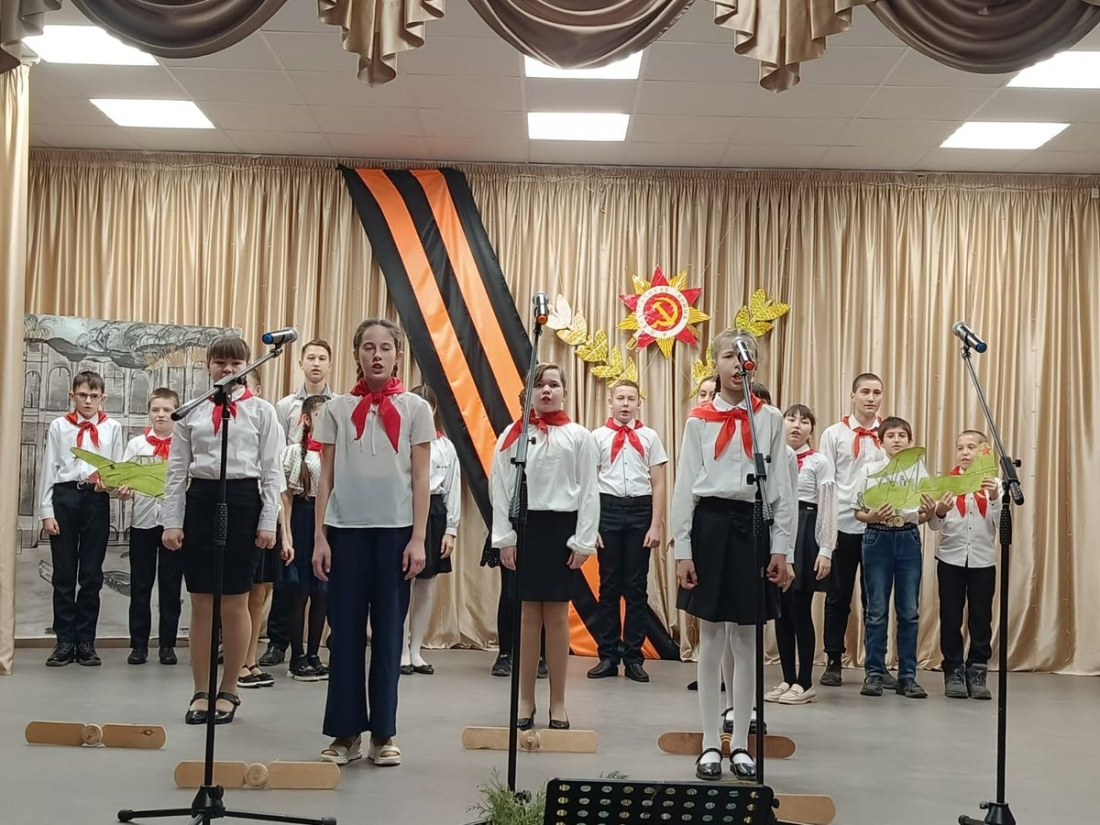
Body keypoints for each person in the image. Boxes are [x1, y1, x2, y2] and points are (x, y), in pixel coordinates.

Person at [672, 331, 795, 781]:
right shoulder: (698, 421)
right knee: (711, 639)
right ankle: (710, 742)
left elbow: (781, 488)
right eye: (728, 355)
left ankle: (741, 741)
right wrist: (683, 548)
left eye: (744, 355)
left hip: (753, 525)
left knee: (746, 641)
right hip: (712, 525)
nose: (737, 363)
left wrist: (781, 547)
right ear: (716, 364)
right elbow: (685, 486)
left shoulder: (771, 419)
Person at [313, 318, 433, 767]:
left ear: (398, 355)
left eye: (385, 347)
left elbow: (421, 478)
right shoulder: (336, 409)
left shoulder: (416, 409)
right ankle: (345, 733)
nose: (377, 355)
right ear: (356, 355)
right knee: (344, 634)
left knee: (387, 635)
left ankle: (384, 732)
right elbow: (325, 477)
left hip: (395, 534)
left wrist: (418, 538)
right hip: (346, 533)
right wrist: (320, 536)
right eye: (368, 347)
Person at [163, 336, 283, 725]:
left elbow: (272, 470)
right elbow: (176, 470)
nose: (228, 369)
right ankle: (201, 689)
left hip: (244, 500)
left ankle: (230, 688)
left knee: (234, 601)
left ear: (247, 365)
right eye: (220, 362)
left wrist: (268, 520)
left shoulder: (262, 411)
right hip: (201, 499)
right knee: (201, 601)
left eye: (235, 362)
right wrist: (172, 520)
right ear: (208, 365)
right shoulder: (191, 411)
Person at [490, 363, 600, 731]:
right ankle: (525, 699)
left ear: (564, 391)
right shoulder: (513, 435)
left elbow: (589, 490)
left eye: (553, 384)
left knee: (556, 614)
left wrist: (584, 539)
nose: (547, 391)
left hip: (561, 531)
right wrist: (505, 537)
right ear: (529, 394)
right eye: (539, 385)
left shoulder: (579, 436)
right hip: (525, 528)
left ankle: (558, 702)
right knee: (526, 615)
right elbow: (499, 487)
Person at [39, 369, 125, 667]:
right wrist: (46, 512)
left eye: (94, 396)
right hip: (65, 497)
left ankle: (86, 641)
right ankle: (64, 641)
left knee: (91, 574)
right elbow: (49, 468)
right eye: (82, 395)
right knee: (64, 573)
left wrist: (110, 485)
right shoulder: (59, 426)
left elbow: (116, 468)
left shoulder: (112, 427)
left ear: (103, 398)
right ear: (72, 396)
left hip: (95, 499)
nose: (88, 401)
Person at [588, 379, 668, 684]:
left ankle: (634, 657)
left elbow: (658, 483)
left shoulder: (650, 437)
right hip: (607, 510)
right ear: (610, 402)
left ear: (638, 403)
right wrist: (592, 524)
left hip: (639, 511)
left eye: (630, 399)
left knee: (636, 588)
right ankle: (608, 655)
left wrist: (655, 524)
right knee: (608, 587)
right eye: (620, 398)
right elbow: (590, 482)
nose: (625, 404)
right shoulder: (597, 437)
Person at [262, 338, 336, 669]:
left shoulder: (339, 405)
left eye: (322, 358)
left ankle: (317, 649)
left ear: (330, 364)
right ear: (301, 363)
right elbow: (276, 454)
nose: (316, 363)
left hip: (328, 513)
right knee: (290, 587)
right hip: (297, 498)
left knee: (323, 588)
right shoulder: (284, 407)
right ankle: (280, 644)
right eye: (311, 357)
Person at [853, 416, 933, 699]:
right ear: (881, 441)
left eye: (902, 436)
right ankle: (874, 673)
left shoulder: (919, 470)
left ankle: (907, 676)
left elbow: (924, 514)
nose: (897, 440)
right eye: (891, 436)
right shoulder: (869, 469)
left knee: (909, 610)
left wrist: (929, 511)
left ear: (910, 441)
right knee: (876, 609)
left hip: (908, 537)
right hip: (878, 537)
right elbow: (857, 511)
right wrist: (872, 515)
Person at [819, 373, 888, 688]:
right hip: (844, 526)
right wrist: (827, 531)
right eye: (865, 392)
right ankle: (833, 659)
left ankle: (877, 664)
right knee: (838, 597)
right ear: (852, 395)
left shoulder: (890, 434)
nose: (871, 398)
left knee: (876, 600)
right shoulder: (834, 434)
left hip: (879, 527)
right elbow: (827, 484)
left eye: (876, 392)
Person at [766, 404, 836, 705]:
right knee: (781, 611)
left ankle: (805, 681)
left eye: (804, 421)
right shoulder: (773, 458)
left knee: (799, 609)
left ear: (811, 429)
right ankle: (787, 678)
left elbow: (828, 506)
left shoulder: (819, 461)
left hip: (806, 532)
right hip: (778, 531)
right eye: (791, 419)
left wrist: (826, 549)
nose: (797, 425)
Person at [927, 430, 1001, 700]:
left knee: (981, 618)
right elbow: (934, 525)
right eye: (960, 447)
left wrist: (994, 497)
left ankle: (978, 669)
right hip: (951, 559)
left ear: (984, 451)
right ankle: (954, 670)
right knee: (950, 617)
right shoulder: (947, 483)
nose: (965, 452)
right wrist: (940, 510)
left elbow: (1001, 524)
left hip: (982, 560)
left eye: (971, 447)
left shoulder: (995, 484)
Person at [398, 385, 461, 676]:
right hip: (404, 510)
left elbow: (452, 489)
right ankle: (400, 649)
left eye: (427, 408)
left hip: (434, 512)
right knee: (402, 583)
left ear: (434, 410)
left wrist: (451, 529)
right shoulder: (399, 441)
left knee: (426, 584)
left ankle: (416, 649)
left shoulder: (445, 446)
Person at [239, 371, 294, 690]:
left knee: (261, 593)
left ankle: (250, 659)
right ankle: (239, 661)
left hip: (268, 518)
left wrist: (285, 535)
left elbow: (278, 486)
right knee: (242, 595)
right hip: (245, 515)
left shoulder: (268, 421)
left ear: (258, 390)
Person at [123, 387, 184, 666]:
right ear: (148, 412)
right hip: (143, 522)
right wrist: (123, 488)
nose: (161, 415)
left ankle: (167, 644)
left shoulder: (184, 444)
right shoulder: (137, 445)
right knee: (140, 584)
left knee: (171, 586)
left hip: (174, 524)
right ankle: (138, 644)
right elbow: (124, 477)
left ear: (176, 413)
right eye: (155, 409)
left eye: (167, 410)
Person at [281, 394, 331, 681]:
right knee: (298, 591)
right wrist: (286, 536)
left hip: (328, 524)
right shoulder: (293, 452)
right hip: (302, 518)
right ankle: (296, 655)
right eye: (321, 415)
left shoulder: (336, 453)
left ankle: (314, 653)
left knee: (322, 592)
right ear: (307, 419)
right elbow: (286, 499)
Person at [685, 375, 717, 693]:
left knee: (736, 622)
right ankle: (707, 667)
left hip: (734, 524)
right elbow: (686, 486)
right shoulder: (695, 427)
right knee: (706, 611)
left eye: (712, 393)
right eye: (702, 394)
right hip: (703, 524)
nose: (707, 399)